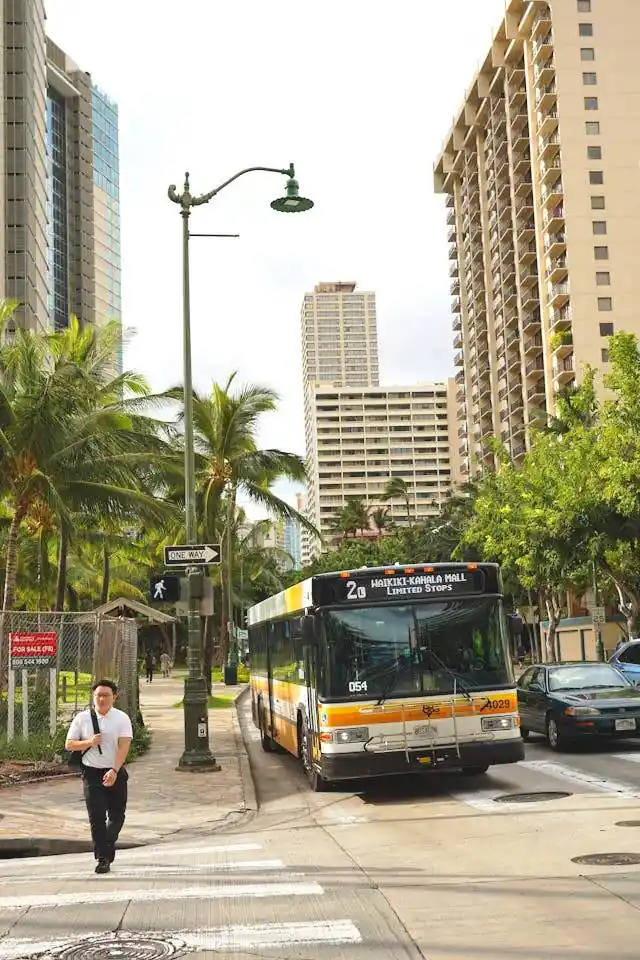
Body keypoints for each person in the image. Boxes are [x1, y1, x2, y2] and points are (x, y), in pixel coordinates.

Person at [65, 679, 133, 874]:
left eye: (106, 695)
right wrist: (88, 742)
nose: (102, 699)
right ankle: (102, 858)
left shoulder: (121, 718)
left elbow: (124, 746)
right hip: (92, 773)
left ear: (114, 697)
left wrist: (114, 770)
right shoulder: (82, 718)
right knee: (96, 817)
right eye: (98, 695)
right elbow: (69, 744)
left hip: (115, 771)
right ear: (93, 697)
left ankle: (107, 844)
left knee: (117, 816)